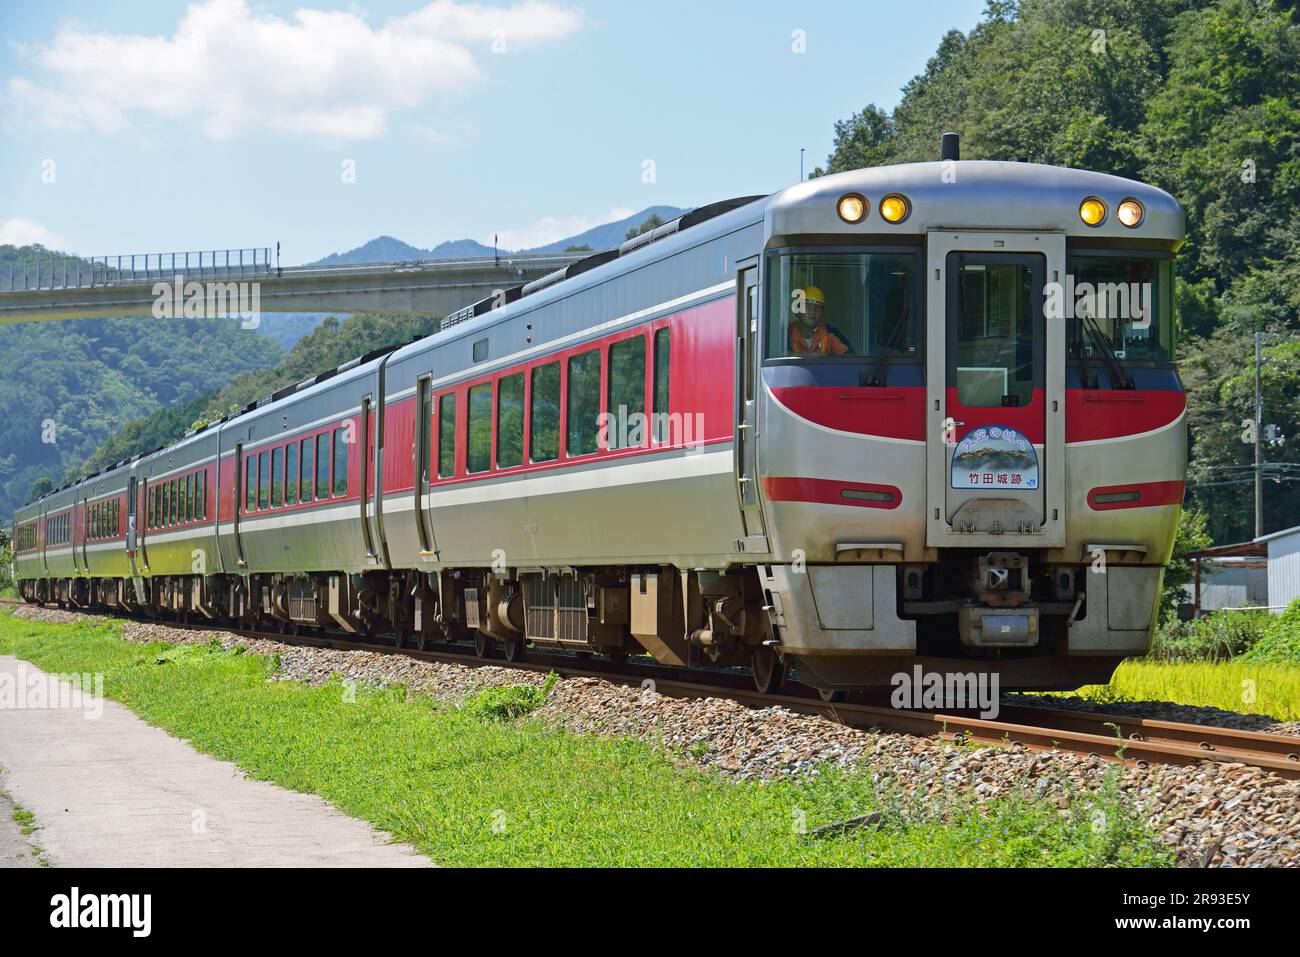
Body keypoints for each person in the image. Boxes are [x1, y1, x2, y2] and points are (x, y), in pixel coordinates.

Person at [787, 286, 852, 355]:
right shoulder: (786, 334)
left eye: (817, 308)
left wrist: (825, 359)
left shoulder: (830, 332)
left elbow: (849, 359)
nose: (812, 312)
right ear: (797, 310)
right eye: (807, 307)